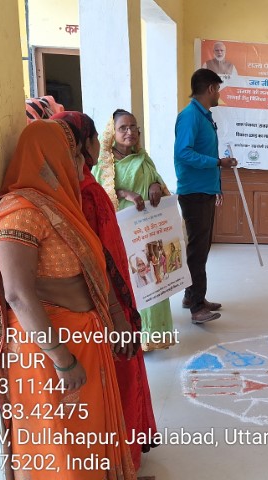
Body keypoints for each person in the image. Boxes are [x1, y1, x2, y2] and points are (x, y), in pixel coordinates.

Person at [0, 120, 136, 479]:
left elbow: (93, 270)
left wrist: (116, 318)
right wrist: (62, 359)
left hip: (84, 341)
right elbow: (17, 294)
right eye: (72, 155)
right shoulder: (19, 211)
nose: (79, 163)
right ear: (47, 158)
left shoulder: (61, 208)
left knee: (87, 440)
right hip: (49, 352)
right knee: (60, 445)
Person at [51, 110, 159, 468]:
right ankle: (121, 452)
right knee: (119, 374)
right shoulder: (87, 193)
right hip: (107, 297)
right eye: (97, 137)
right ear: (85, 144)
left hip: (100, 296)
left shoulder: (66, 187)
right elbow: (102, 256)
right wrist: (118, 309)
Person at [93, 109, 175, 351]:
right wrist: (123, 193)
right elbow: (98, 195)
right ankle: (134, 335)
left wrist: (155, 185)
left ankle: (155, 334)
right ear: (113, 132)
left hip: (149, 229)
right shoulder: (104, 163)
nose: (129, 132)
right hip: (122, 233)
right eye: (123, 128)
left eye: (133, 127)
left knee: (154, 275)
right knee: (132, 278)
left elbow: (156, 180)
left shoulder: (143, 158)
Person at [174, 68, 237, 324]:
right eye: (218, 89)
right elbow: (183, 153)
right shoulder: (190, 116)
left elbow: (203, 152)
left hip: (205, 189)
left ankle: (192, 296)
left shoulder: (203, 116)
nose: (219, 94)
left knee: (201, 248)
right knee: (198, 251)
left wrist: (216, 185)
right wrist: (217, 163)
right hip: (194, 192)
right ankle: (197, 307)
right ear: (210, 88)